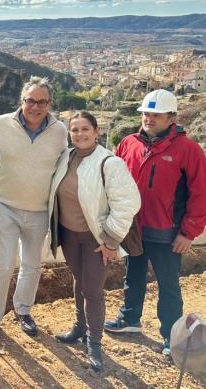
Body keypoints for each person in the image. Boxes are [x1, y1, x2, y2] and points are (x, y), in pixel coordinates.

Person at [104, 89, 206, 357]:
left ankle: (173, 337)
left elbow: (200, 194)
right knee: (133, 276)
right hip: (135, 228)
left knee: (168, 285)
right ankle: (130, 320)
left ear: (171, 117)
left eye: (156, 114)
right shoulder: (128, 143)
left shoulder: (189, 150)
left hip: (169, 233)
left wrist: (189, 232)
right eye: (146, 113)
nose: (149, 118)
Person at [0, 76, 68, 344]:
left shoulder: (60, 131)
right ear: (22, 101)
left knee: (32, 264)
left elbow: (67, 165)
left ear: (49, 104)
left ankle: (23, 311)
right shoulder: (1, 124)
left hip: (40, 210)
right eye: (30, 100)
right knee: (2, 264)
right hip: (4, 205)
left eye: (42, 102)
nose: (35, 107)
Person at [48, 111, 140, 371]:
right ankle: (79, 327)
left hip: (96, 239)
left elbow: (128, 203)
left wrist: (111, 240)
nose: (79, 134)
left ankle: (95, 343)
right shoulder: (66, 158)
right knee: (79, 281)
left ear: (97, 131)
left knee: (93, 290)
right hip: (68, 235)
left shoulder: (110, 163)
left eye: (85, 129)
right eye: (74, 130)